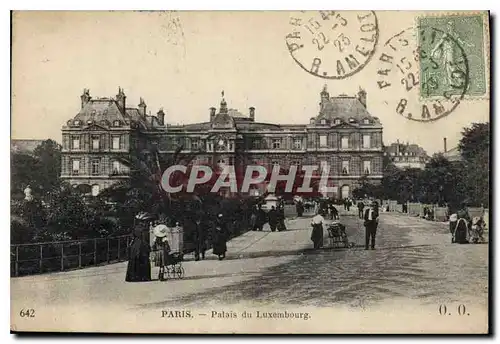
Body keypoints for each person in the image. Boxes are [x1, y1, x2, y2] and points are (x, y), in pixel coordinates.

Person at [126, 215, 152, 282]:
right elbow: (145, 238)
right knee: (143, 260)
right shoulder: (144, 229)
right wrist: (148, 246)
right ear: (144, 222)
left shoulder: (135, 227)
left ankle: (133, 277)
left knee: (134, 260)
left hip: (134, 246)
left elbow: (132, 237)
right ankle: (143, 277)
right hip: (142, 245)